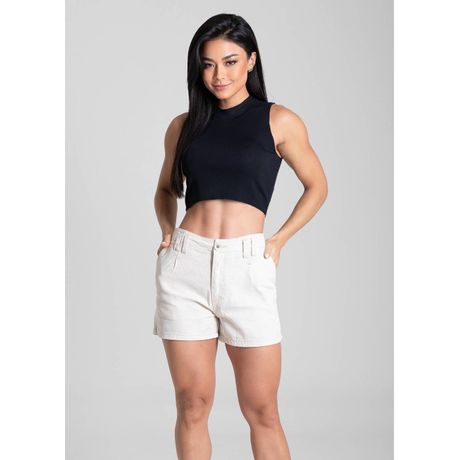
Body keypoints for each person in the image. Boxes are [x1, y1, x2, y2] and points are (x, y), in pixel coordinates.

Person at [153, 13, 328, 460]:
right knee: (192, 405)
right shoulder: (183, 125)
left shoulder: (279, 120)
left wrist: (279, 239)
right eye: (208, 64)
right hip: (186, 266)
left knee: (262, 410)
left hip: (246, 266)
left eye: (230, 62)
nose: (219, 75)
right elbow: (165, 190)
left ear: (251, 60)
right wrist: (168, 231)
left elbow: (317, 186)